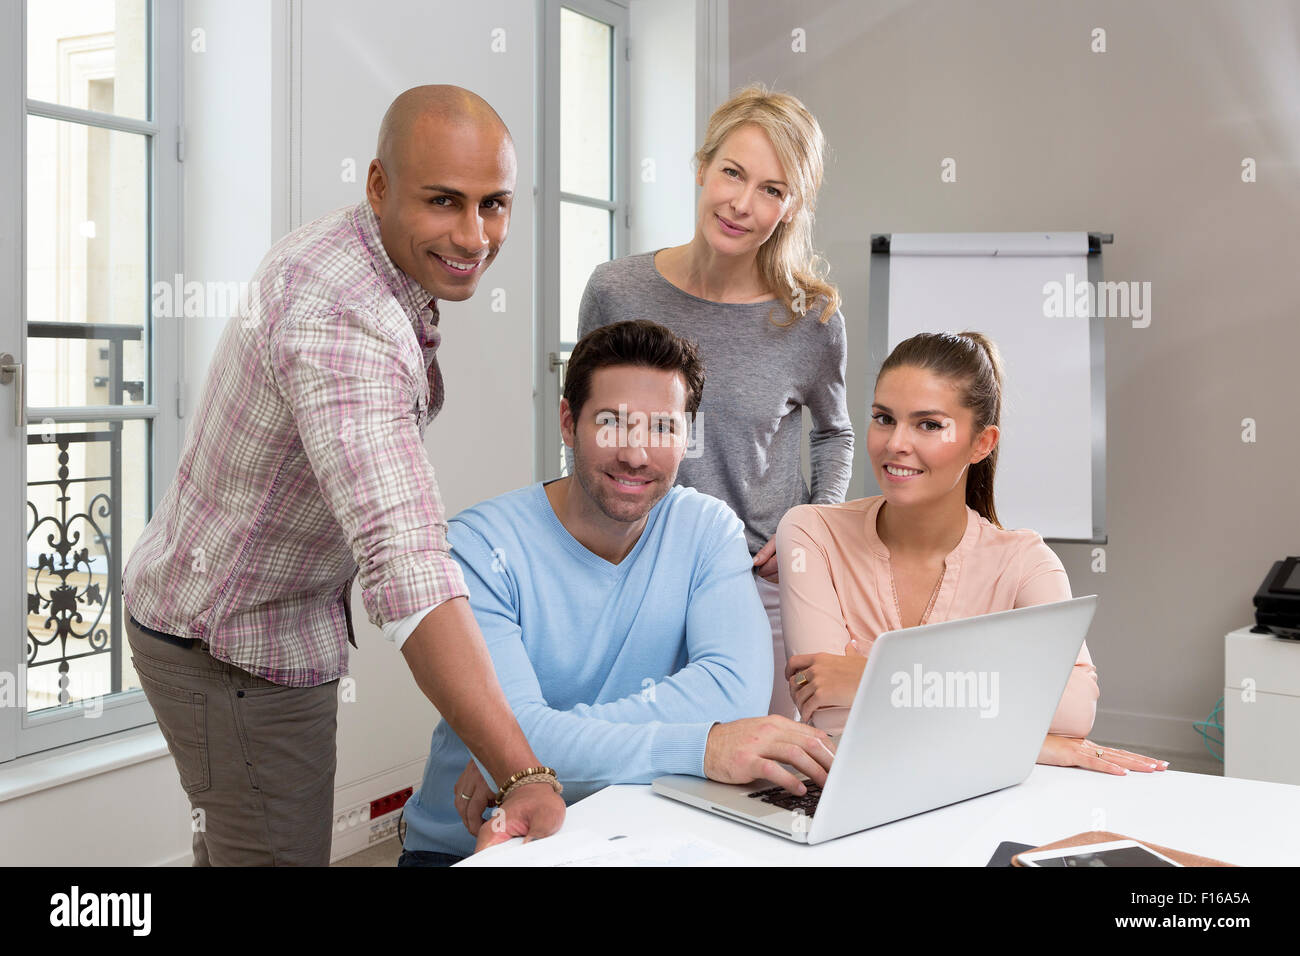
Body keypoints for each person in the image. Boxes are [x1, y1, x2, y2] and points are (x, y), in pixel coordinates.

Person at [121, 85, 565, 866]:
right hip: (231, 643)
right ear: (378, 186)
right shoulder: (341, 317)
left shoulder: (365, 257)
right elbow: (407, 563)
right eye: (444, 202)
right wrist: (520, 768)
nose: (474, 235)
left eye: (493, 204)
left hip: (251, 616)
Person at [399, 320, 836, 864]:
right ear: (568, 422)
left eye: (662, 427)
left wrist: (521, 757)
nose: (636, 454)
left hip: (634, 827)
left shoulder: (706, 529)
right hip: (482, 846)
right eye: (612, 423)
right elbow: (516, 732)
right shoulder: (479, 546)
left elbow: (733, 695)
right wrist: (702, 746)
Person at [573, 85, 854, 721]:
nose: (741, 204)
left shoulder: (810, 318)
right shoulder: (616, 290)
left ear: (792, 206)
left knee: (768, 768)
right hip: (633, 569)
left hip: (762, 580)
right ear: (702, 167)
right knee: (641, 768)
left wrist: (809, 529)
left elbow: (834, 434)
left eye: (772, 190)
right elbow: (585, 423)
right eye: (732, 172)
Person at [777, 330, 1170, 775]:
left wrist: (868, 679)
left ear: (982, 443)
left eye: (928, 424)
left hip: (977, 801)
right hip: (852, 797)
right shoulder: (811, 533)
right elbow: (832, 716)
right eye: (884, 418)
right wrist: (1030, 739)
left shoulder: (1025, 563)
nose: (895, 444)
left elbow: (1075, 708)